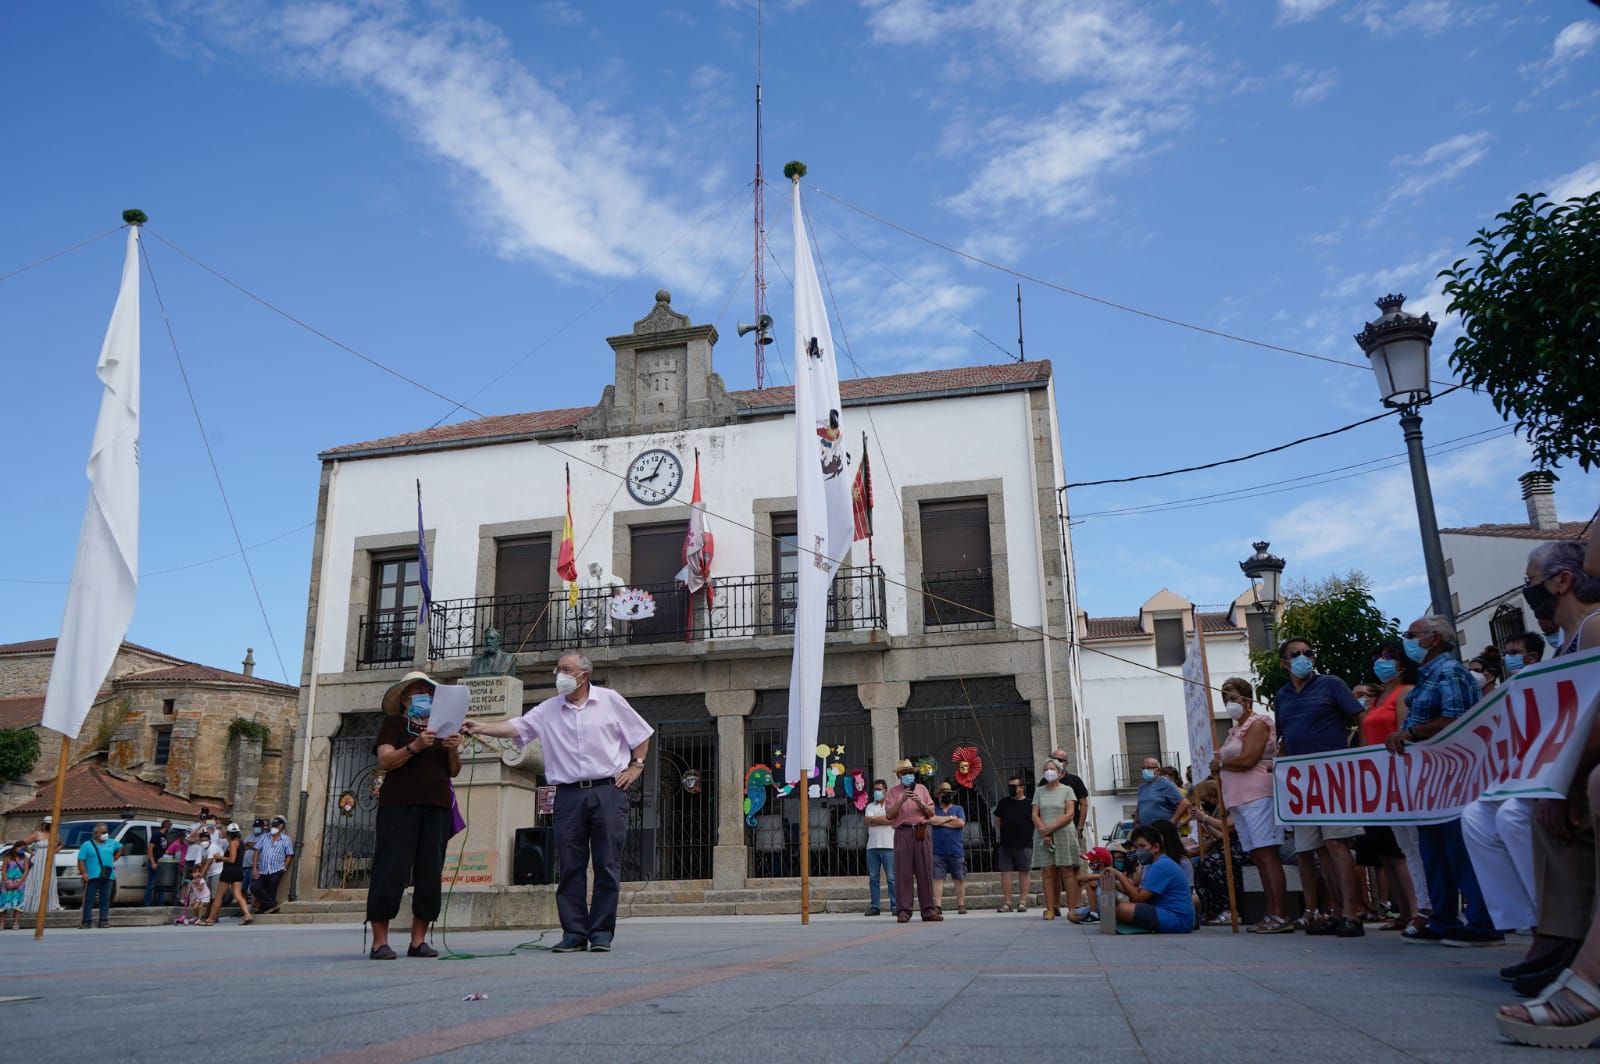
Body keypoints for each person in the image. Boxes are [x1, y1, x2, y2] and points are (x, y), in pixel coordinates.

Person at [463, 651, 652, 952]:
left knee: (606, 863)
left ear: (583, 675)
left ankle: (601, 933)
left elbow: (641, 733)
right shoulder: (549, 709)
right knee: (570, 865)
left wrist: (636, 766)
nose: (559, 675)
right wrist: (481, 727)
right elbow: (517, 727)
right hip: (568, 795)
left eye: (566, 669)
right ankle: (574, 933)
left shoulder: (610, 700)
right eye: (558, 669)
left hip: (607, 790)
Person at [1504, 539, 1600, 1004]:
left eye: (1532, 580)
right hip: (1565, 769)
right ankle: (1554, 928)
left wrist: (1562, 784)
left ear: (1562, 580)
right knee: (1504, 815)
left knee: (1521, 813)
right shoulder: (1568, 643)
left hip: (1581, 769)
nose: (1529, 590)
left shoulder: (1596, 629)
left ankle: (1564, 933)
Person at [1383, 614, 1501, 946]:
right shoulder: (1428, 676)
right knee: (1434, 849)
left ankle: (1482, 922)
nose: (1407, 640)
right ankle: (1443, 917)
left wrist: (1411, 733)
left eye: (1412, 634)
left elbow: (1458, 719)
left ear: (1434, 639)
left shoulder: (1450, 672)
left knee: (1459, 848)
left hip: (1453, 775)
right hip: (1429, 777)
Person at [361, 671, 462, 960]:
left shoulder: (442, 727)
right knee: (391, 869)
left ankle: (419, 940)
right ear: (405, 699)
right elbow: (385, 759)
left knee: (430, 871)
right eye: (417, 692)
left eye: (428, 693)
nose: (424, 697)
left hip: (436, 805)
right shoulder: (394, 724)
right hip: (399, 805)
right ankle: (380, 941)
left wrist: (453, 749)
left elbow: (453, 770)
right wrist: (415, 746)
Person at [1274, 637, 1367, 938]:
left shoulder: (1331, 684)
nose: (1303, 657)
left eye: (1308, 653)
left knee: (1338, 843)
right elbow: (1284, 738)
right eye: (1295, 654)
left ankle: (1353, 913)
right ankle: (1336, 910)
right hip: (1301, 782)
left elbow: (1360, 717)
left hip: (1333, 775)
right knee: (1318, 849)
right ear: (1284, 663)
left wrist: (1361, 755)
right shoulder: (1283, 696)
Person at [1462, 631, 1549, 947]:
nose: (1510, 658)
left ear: (1533, 657)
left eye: (1516, 652)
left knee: (1512, 816)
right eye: (1507, 652)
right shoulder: (1506, 693)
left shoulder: (1547, 680)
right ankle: (1520, 919)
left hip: (1543, 774)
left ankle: (1548, 924)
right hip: (1509, 777)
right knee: (1473, 817)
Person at [1208, 677, 1290, 933]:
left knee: (1267, 854)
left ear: (1247, 699)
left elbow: (1247, 759)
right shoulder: (1234, 730)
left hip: (1257, 796)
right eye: (1225, 699)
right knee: (1257, 855)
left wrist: (1221, 764)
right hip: (1239, 800)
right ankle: (1271, 911)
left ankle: (1280, 913)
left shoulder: (1258, 723)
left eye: (1233, 698)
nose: (1229, 703)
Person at [1357, 643, 1426, 933]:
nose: (1381, 663)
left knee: (1408, 847)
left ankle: (1418, 908)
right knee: (1389, 848)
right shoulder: (1377, 698)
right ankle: (1402, 910)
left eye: (1388, 658)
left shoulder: (1404, 692)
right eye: (1376, 658)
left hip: (1399, 776)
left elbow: (1401, 731)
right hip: (1377, 781)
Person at [881, 757, 938, 923]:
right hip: (902, 832)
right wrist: (902, 800)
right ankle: (904, 911)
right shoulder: (892, 792)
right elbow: (889, 815)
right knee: (903, 873)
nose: (908, 776)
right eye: (905, 773)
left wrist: (920, 802)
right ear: (899, 775)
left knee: (925, 871)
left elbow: (931, 813)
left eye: (910, 773)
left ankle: (928, 910)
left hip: (921, 831)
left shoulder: (922, 789)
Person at [1107, 825, 1193, 934]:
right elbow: (1142, 893)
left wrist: (1119, 875)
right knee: (1116, 908)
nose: (1138, 852)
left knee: (1123, 909)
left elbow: (1138, 898)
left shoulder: (1161, 865)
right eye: (1136, 847)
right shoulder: (1157, 863)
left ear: (1156, 847)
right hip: (1172, 916)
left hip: (1177, 919)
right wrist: (1116, 885)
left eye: (1142, 846)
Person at [1188, 779, 1246, 926]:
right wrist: (1202, 821)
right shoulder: (1217, 810)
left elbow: (1227, 828)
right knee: (1199, 864)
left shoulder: (1233, 806)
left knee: (1212, 863)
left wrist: (1205, 818)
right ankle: (1211, 907)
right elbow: (1219, 835)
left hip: (1241, 847)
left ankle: (1228, 907)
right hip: (1225, 846)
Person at [1032, 758, 1080, 921]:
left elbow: (1069, 814)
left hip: (1063, 832)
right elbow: (1034, 814)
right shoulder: (1039, 791)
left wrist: (1049, 829)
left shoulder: (1067, 790)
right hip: (1043, 834)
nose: (1048, 771)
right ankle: (1050, 909)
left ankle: (1073, 909)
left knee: (1066, 870)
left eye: (1052, 768)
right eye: (1046, 769)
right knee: (1047, 871)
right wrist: (1044, 833)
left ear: (1060, 772)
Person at [993, 772, 1034, 913]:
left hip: (1024, 843)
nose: (1011, 788)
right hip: (1006, 843)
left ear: (1022, 787)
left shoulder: (1030, 803)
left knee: (1024, 872)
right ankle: (1008, 902)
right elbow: (997, 820)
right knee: (1006, 872)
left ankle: (1022, 902)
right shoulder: (1003, 802)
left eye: (1014, 786)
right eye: (1009, 786)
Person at [929, 782, 968, 915]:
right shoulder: (934, 809)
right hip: (938, 851)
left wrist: (942, 822)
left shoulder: (959, 808)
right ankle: (938, 906)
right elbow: (932, 820)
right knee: (938, 878)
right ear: (939, 795)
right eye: (944, 794)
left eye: (949, 794)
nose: (947, 796)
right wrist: (950, 819)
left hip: (956, 850)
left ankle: (961, 904)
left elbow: (960, 823)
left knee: (959, 878)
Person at [205, 824, 252, 926]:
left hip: (229, 871)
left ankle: (210, 918)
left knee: (219, 895)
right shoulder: (242, 843)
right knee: (238, 895)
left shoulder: (233, 843)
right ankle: (247, 914)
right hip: (239, 871)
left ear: (229, 833)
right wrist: (222, 859)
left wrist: (220, 857)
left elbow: (232, 859)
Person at [76, 823, 120, 929]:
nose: (106, 834)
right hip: (92, 876)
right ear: (95, 834)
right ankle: (86, 921)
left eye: (106, 831)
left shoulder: (111, 843)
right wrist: (84, 873)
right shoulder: (87, 845)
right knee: (89, 899)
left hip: (107, 875)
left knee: (105, 898)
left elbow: (121, 848)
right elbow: (81, 860)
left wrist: (115, 858)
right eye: (103, 832)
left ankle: (103, 921)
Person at [862, 779, 896, 916]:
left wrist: (876, 820)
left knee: (892, 878)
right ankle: (875, 906)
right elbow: (867, 821)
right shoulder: (870, 806)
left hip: (889, 846)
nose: (876, 792)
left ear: (885, 791)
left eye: (879, 789)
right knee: (873, 878)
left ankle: (895, 905)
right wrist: (884, 819)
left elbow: (893, 819)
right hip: (872, 847)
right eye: (875, 789)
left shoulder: (892, 806)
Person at [249, 816, 294, 915]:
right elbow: (257, 851)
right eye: (273, 825)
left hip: (276, 869)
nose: (274, 828)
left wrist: (284, 867)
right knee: (254, 887)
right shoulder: (265, 837)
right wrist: (254, 869)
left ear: (281, 827)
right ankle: (272, 905)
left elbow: (289, 854)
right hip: (263, 869)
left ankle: (265, 909)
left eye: (276, 826)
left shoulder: (286, 839)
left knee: (271, 890)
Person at [21, 817, 61, 915]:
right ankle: (32, 905)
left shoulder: (55, 835)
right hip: (38, 860)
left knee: (49, 880)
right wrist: (32, 853)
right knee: (37, 880)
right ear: (44, 824)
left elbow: (60, 844)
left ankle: (50, 905)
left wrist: (55, 851)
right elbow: (22, 843)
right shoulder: (37, 834)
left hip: (50, 861)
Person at [1049, 748, 1090, 842]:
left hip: (1071, 828)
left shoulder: (1075, 781)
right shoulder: (1045, 781)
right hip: (1050, 830)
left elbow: (1084, 805)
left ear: (1066, 763)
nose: (1056, 762)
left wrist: (1080, 827)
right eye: (1053, 759)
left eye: (1059, 760)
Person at [1135, 756, 1186, 828]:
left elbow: (1184, 803)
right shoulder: (1142, 788)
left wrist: (1172, 821)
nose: (1145, 770)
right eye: (1143, 768)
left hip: (1163, 831)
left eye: (1149, 768)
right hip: (1146, 831)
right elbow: (1139, 807)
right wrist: (1135, 823)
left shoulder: (1166, 784)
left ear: (1158, 770)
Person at [143, 819, 171, 908]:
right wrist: (153, 862)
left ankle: (160, 903)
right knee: (151, 883)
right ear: (166, 826)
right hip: (155, 862)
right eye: (170, 826)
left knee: (161, 884)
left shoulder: (165, 836)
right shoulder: (156, 835)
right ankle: (147, 903)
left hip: (162, 863)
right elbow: (150, 848)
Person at [2, 844, 28, 929]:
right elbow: (4, 870)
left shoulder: (25, 858)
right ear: (15, 848)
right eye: (20, 847)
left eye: (24, 847)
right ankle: (2, 923)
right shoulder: (8, 857)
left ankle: (16, 923)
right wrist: (6, 882)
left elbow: (26, 871)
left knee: (19, 903)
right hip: (7, 881)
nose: (22, 849)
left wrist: (20, 882)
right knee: (3, 903)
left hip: (19, 882)